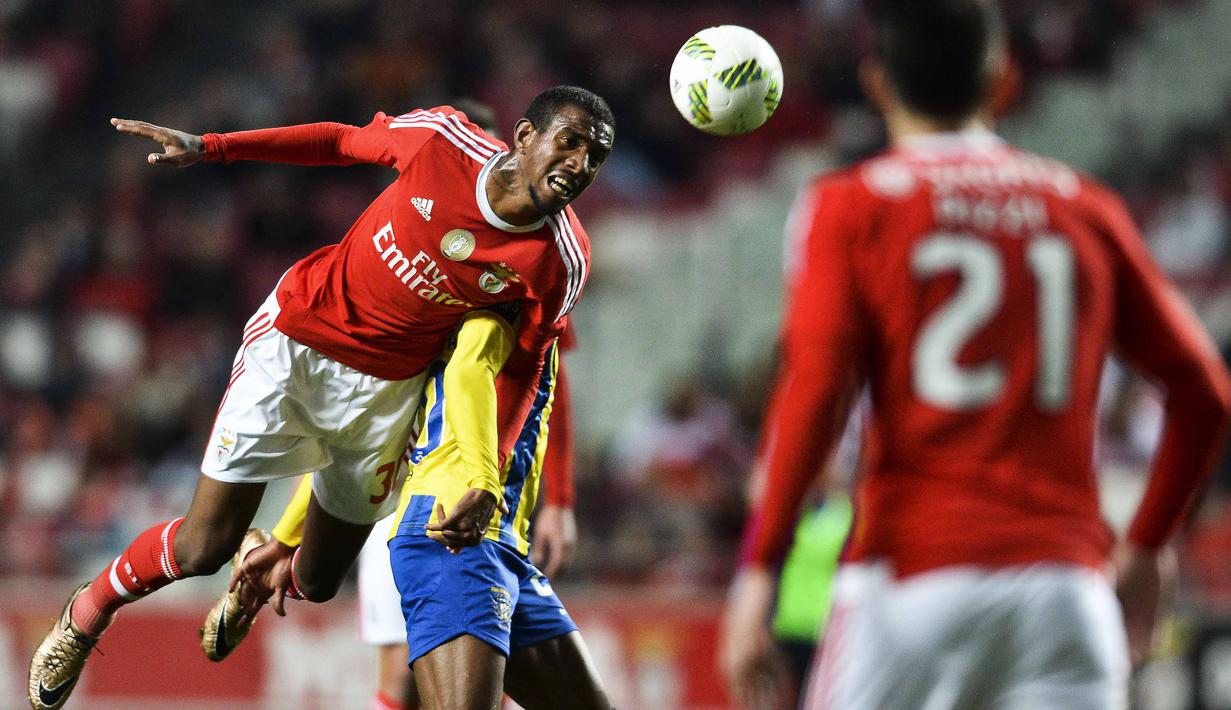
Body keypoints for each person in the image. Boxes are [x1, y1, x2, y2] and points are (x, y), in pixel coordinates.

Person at [28, 85, 614, 710]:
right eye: (569, 142)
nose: (579, 164)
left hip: (388, 393)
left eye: (596, 156)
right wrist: (213, 147)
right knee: (202, 548)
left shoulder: (563, 258)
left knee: (316, 579)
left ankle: (259, 561)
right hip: (298, 344)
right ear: (525, 137)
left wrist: (487, 475)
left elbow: (524, 371)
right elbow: (338, 140)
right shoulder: (442, 141)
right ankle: (89, 610)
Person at [720, 2, 1231, 709]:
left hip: (907, 582)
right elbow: (1204, 390)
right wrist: (1147, 545)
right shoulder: (1082, 206)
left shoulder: (849, 206)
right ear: (1002, 82)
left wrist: (758, 570)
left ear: (876, 84)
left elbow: (815, 391)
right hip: (1065, 593)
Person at [240, 306, 608, 709]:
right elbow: (462, 376)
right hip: (454, 533)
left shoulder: (531, 297)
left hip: (498, 541)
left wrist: (560, 499)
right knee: (403, 679)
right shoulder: (496, 299)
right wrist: (290, 535)